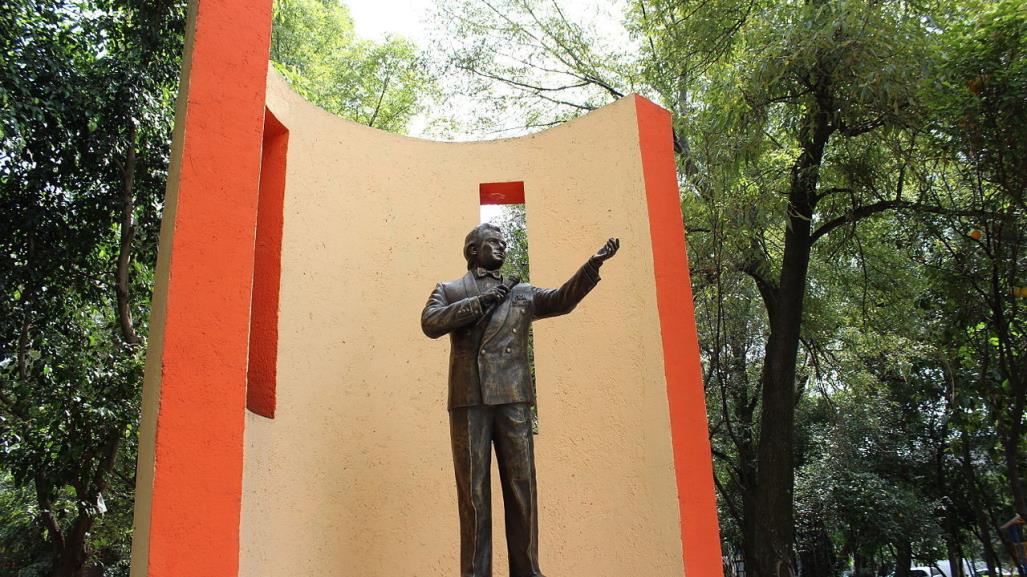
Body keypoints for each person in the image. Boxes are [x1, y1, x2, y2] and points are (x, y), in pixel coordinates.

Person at [421, 223, 619, 577]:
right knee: (473, 496)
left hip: (513, 398)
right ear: (472, 251)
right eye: (493, 242)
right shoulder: (449, 290)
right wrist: (479, 302)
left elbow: (561, 299)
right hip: (470, 399)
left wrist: (592, 266)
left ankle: (528, 571)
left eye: (503, 242)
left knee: (522, 487)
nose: (501, 247)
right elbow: (431, 323)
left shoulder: (522, 292)